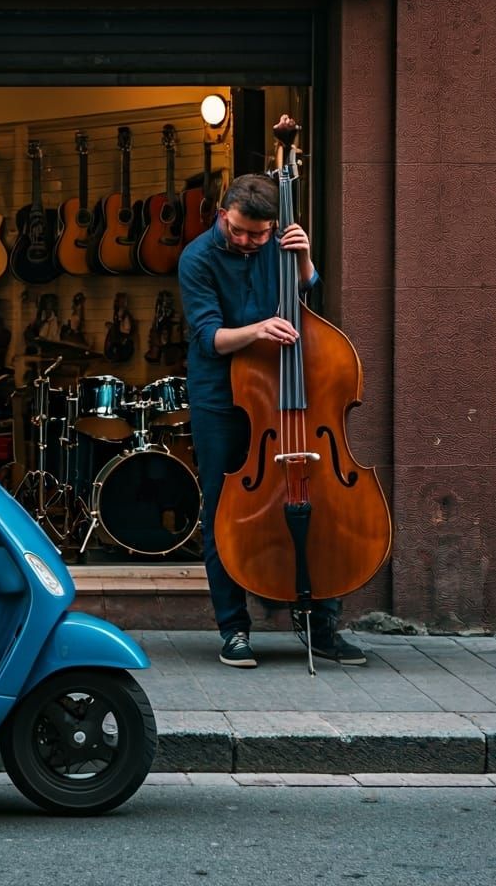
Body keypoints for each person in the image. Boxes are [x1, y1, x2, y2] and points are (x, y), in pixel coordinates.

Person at [178, 119, 367, 669]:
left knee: (319, 502)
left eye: (259, 235)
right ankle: (234, 629)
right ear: (223, 214)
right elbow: (210, 338)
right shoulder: (197, 258)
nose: (248, 241)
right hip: (222, 396)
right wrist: (258, 329)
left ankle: (322, 625)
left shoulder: (278, 244)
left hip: (289, 395)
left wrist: (303, 258)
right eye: (240, 231)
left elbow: (307, 293)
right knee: (223, 508)